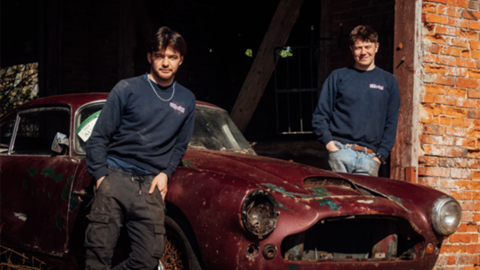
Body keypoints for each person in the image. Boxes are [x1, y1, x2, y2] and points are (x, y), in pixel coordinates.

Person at [84, 26, 195, 269]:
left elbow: (180, 145)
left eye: (172, 57)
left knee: (147, 260)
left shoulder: (186, 100)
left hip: (150, 186)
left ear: (181, 60)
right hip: (115, 178)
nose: (165, 63)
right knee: (97, 256)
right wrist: (102, 177)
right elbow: (99, 136)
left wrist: (166, 174)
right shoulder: (127, 89)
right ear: (149, 57)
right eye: (159, 56)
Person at [312, 25, 400, 177]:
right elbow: (320, 116)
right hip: (340, 153)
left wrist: (380, 156)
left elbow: (391, 123)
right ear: (352, 49)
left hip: (370, 159)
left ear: (376, 47)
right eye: (358, 48)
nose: (363, 52)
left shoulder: (389, 81)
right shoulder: (338, 77)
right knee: (336, 200)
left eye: (368, 47)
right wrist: (331, 146)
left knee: (363, 202)